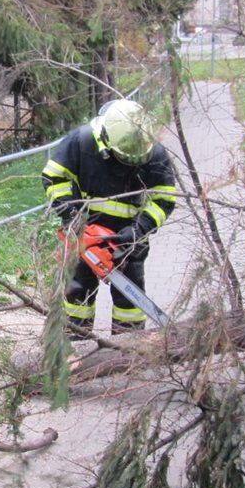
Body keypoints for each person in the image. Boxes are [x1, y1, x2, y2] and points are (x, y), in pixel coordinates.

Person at [41, 98, 178, 333]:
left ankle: (129, 344)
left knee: (130, 301)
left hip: (130, 235)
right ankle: (76, 341)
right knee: (77, 294)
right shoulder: (82, 142)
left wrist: (138, 230)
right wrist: (73, 218)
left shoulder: (154, 153)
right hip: (85, 230)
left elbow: (164, 199)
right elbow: (53, 176)